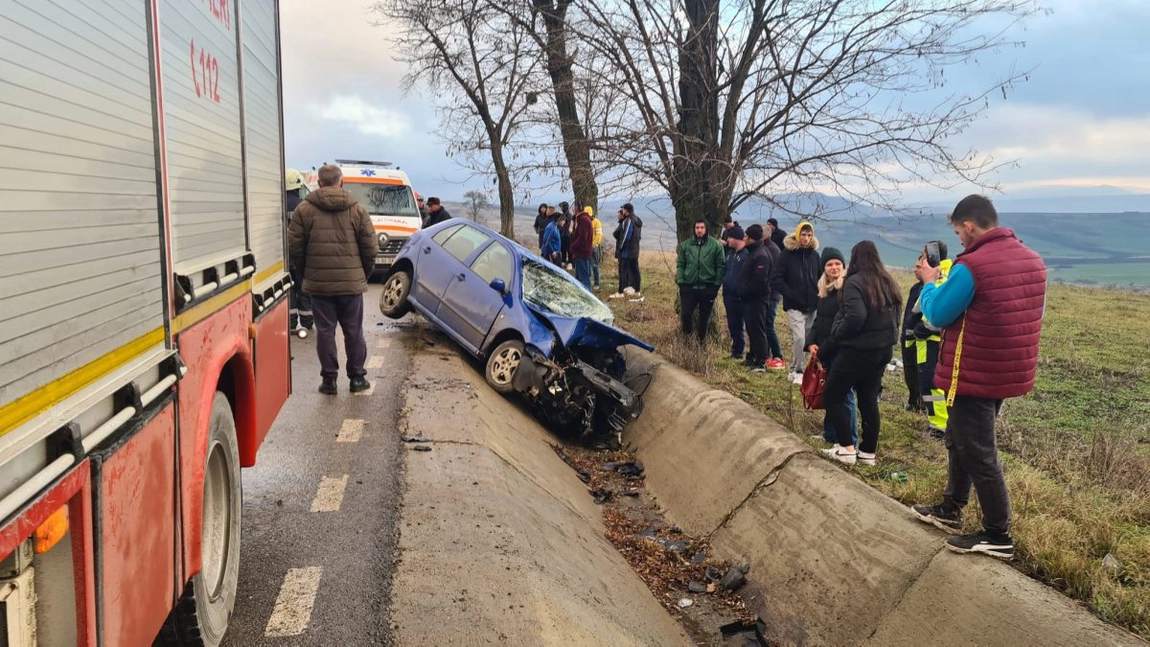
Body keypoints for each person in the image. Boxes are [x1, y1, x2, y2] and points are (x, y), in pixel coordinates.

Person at [912, 195, 1046, 560]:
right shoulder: (1032, 260)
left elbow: (937, 314)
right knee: (959, 438)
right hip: (1004, 370)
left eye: (958, 232)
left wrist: (929, 282)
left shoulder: (972, 266)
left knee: (978, 450)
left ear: (969, 226)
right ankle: (951, 507)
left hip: (972, 370)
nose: (958, 240)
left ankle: (996, 532)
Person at [288, 164, 378, 395]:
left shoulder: (303, 211)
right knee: (354, 331)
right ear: (342, 182)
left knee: (325, 332)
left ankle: (329, 381)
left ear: (318, 183)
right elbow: (370, 248)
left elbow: (295, 248)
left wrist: (308, 272)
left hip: (319, 285)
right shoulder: (358, 210)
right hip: (350, 284)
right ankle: (358, 378)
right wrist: (361, 275)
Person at [818, 240, 901, 467]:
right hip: (882, 351)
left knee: (832, 395)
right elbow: (896, 318)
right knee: (868, 401)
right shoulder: (888, 281)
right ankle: (867, 453)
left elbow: (855, 317)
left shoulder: (854, 282)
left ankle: (846, 448)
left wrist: (835, 338)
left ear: (854, 258)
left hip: (857, 351)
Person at [804, 247, 858, 446]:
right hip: (825, 349)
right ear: (823, 268)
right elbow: (819, 321)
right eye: (829, 264)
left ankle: (849, 440)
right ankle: (830, 433)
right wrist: (811, 343)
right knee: (830, 392)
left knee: (844, 396)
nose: (834, 267)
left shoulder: (846, 290)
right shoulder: (824, 291)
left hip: (841, 349)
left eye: (838, 264)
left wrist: (828, 345)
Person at [911, 241, 953, 438]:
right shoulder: (939, 274)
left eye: (923, 255)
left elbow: (942, 310)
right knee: (927, 384)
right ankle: (936, 422)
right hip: (924, 343)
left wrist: (924, 327)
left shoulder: (944, 276)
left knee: (932, 385)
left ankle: (940, 426)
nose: (921, 259)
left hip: (934, 342)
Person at [771, 221, 821, 383]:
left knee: (807, 340)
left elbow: (820, 278)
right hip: (794, 305)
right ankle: (797, 370)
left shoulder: (814, 255)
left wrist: (820, 295)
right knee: (799, 337)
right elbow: (776, 278)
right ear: (797, 234)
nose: (806, 238)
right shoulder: (786, 254)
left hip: (812, 304)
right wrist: (789, 294)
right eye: (803, 234)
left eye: (809, 235)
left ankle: (801, 368)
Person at [675, 219, 725, 343]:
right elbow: (680, 264)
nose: (699, 230)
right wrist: (681, 282)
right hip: (689, 287)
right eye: (697, 227)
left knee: (704, 318)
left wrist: (716, 286)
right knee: (686, 315)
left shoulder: (715, 245)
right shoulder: (686, 245)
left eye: (702, 227)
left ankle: (700, 343)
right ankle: (687, 340)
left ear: (706, 229)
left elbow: (721, 266)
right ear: (694, 229)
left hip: (708, 287)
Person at [739, 225, 776, 370]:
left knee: (758, 330)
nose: (744, 238)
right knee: (751, 328)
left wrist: (745, 290)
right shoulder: (753, 252)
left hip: (757, 299)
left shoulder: (761, 255)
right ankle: (752, 356)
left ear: (752, 238)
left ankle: (761, 361)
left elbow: (760, 281)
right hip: (750, 299)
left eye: (746, 236)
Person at [285, 169, 313, 336]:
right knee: (304, 289)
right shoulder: (305, 206)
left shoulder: (276, 203)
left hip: (283, 257)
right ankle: (307, 321)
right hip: (302, 257)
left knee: (289, 290)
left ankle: (290, 322)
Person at [901, 263, 926, 412]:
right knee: (909, 372)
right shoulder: (915, 288)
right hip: (908, 339)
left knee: (922, 374)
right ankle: (913, 401)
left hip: (923, 341)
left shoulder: (932, 288)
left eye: (919, 267)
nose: (915, 270)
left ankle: (924, 406)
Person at [721, 226, 748, 359]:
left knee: (739, 325)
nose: (728, 240)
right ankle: (735, 350)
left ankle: (740, 351)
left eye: (730, 238)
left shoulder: (746, 255)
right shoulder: (730, 254)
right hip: (728, 294)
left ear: (736, 238)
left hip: (739, 297)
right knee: (732, 324)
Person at [611, 203, 642, 299]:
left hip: (627, 252)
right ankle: (637, 290)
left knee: (623, 271)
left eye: (623, 209)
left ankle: (621, 292)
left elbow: (626, 237)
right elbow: (639, 237)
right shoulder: (637, 220)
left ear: (626, 210)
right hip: (635, 250)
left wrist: (620, 247)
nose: (622, 211)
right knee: (635, 271)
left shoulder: (628, 220)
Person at [571, 206, 595, 289]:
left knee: (584, 278)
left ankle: (588, 295)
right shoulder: (583, 219)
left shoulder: (583, 220)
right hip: (581, 253)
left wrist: (573, 246)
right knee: (578, 278)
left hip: (582, 253)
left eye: (573, 210)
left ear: (576, 210)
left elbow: (582, 238)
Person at [558, 201, 574, 270]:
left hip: (568, 235)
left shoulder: (569, 215)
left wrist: (566, 231)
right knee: (563, 249)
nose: (561, 208)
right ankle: (563, 261)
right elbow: (559, 225)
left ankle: (570, 262)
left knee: (569, 249)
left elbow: (569, 226)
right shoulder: (562, 215)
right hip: (562, 235)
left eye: (562, 207)